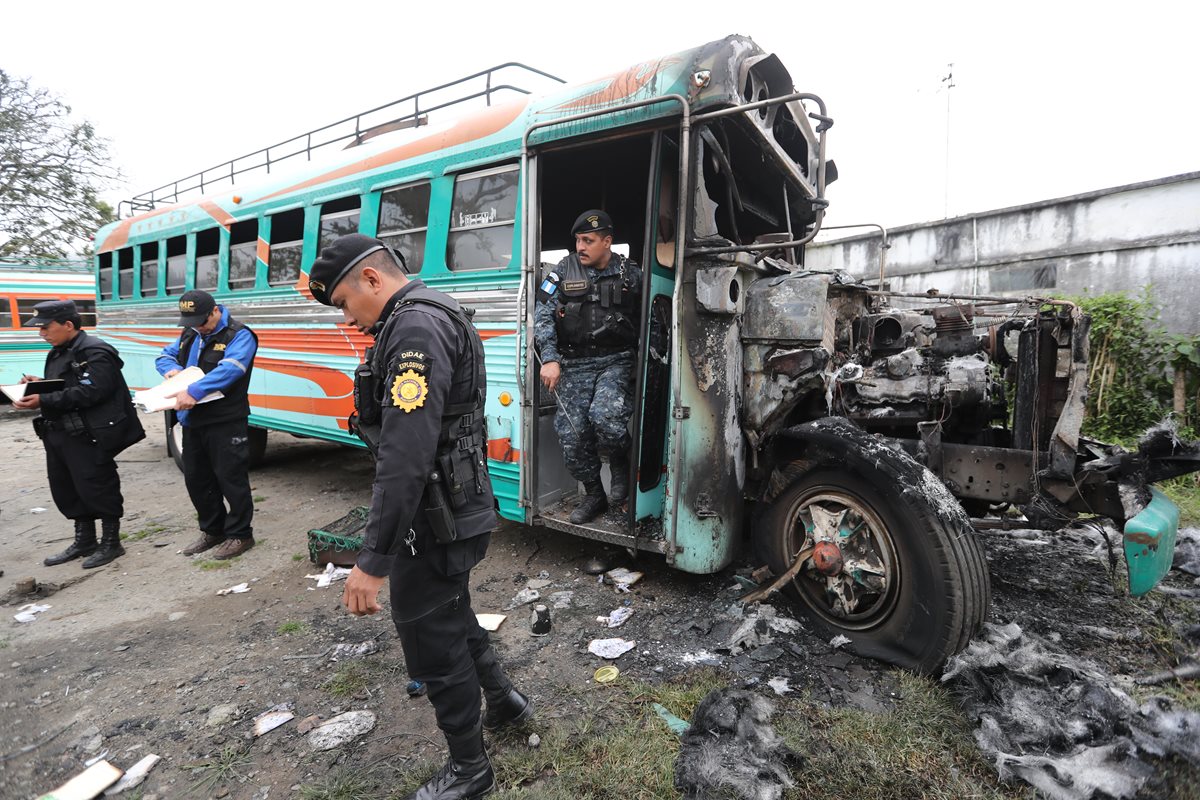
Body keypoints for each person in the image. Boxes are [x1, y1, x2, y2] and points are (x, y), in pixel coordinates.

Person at [308, 233, 531, 800]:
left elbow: (406, 457)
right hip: (453, 507)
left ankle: (469, 770)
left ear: (373, 280)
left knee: (430, 637)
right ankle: (505, 701)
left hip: (434, 516)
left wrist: (372, 560)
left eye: (342, 302)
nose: (347, 318)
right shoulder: (430, 313)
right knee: (450, 611)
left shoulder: (413, 328)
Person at [14, 300, 145, 568]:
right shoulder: (58, 350)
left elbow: (94, 390)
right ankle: (85, 540)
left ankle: (111, 542)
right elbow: (66, 383)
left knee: (97, 485)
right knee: (66, 487)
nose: (41, 333)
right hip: (59, 430)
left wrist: (43, 400)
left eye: (45, 328)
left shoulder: (96, 351)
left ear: (68, 325)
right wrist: (39, 385)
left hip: (89, 433)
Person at [534, 209, 642, 523]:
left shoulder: (628, 272)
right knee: (572, 435)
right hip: (574, 363)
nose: (580, 246)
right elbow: (542, 314)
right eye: (578, 240)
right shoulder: (560, 272)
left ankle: (621, 460)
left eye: (588, 240)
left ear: (607, 242)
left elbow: (653, 308)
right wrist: (551, 358)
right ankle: (595, 495)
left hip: (616, 360)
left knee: (606, 419)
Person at [155, 290, 259, 560]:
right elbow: (165, 355)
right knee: (197, 478)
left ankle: (240, 535)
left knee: (230, 477)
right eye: (191, 322)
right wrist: (171, 370)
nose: (197, 327)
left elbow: (232, 369)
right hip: (193, 420)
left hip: (225, 420)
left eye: (201, 321)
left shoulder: (239, 335)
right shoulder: (191, 332)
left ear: (215, 311)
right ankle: (213, 530)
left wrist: (195, 391)